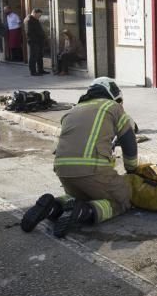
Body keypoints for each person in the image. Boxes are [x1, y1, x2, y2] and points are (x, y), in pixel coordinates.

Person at [21, 77, 138, 238]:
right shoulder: (113, 106)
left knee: (81, 196)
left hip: (63, 172)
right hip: (92, 170)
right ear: (110, 92)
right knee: (121, 200)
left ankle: (53, 207)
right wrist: (132, 169)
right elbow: (128, 140)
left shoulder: (71, 111)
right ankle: (84, 212)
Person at [24, 7, 46, 76]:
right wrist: (36, 40)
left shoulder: (35, 19)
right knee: (33, 56)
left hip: (39, 41)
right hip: (34, 41)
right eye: (39, 15)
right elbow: (29, 32)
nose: (39, 17)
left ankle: (41, 70)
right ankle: (33, 71)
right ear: (34, 13)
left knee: (39, 56)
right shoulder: (29, 20)